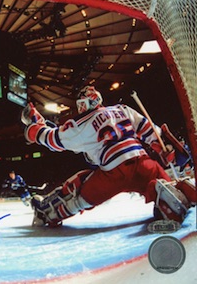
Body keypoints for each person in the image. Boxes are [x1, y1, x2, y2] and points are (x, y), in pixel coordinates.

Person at [21, 86, 196, 226]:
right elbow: (150, 131)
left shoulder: (82, 123)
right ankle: (171, 199)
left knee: (78, 193)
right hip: (144, 163)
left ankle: (46, 213)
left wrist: (35, 127)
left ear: (83, 104)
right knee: (169, 186)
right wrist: (163, 149)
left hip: (113, 172)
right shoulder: (123, 109)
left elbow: (54, 140)